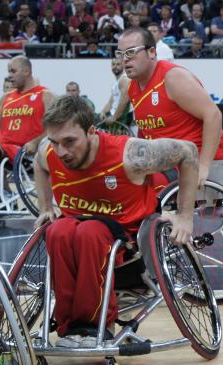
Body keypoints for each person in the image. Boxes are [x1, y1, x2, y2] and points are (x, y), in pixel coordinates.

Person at [33, 95, 198, 348]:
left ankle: (93, 325)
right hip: (76, 229)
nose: (61, 151)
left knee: (90, 232)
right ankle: (68, 328)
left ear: (91, 131)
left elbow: (189, 153)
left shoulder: (130, 154)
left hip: (127, 242)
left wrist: (185, 216)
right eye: (55, 142)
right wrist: (45, 207)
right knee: (57, 231)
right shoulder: (49, 151)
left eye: (69, 142)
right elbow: (38, 162)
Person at [111, 26, 223, 190]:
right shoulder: (132, 87)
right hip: (162, 160)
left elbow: (213, 115)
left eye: (131, 52)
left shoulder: (173, 78)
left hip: (188, 161)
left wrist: (203, 166)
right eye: (120, 54)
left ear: (152, 52)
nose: (125, 59)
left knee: (134, 188)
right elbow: (145, 132)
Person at [0, 56, 53, 206]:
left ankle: (6, 194)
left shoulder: (45, 95)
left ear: (26, 71)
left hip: (28, 152)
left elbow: (54, 127)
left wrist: (35, 141)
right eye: (9, 72)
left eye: (13, 71)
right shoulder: (6, 98)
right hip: (4, 149)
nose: (10, 75)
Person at [100, 57, 133, 127]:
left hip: (124, 117)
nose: (115, 66)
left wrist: (114, 117)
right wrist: (103, 111)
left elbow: (124, 102)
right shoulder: (116, 83)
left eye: (118, 64)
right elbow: (111, 102)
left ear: (123, 65)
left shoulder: (124, 79)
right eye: (113, 64)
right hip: (115, 115)